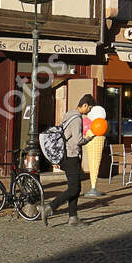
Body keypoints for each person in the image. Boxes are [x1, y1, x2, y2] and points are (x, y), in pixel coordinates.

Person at [44, 94, 95, 226]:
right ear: (84, 105)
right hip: (71, 156)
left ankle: (73, 217)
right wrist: (89, 138)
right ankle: (49, 207)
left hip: (66, 155)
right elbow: (78, 140)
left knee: (75, 188)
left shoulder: (69, 114)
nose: (89, 111)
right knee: (74, 188)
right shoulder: (77, 119)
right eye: (89, 108)